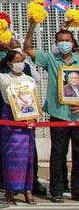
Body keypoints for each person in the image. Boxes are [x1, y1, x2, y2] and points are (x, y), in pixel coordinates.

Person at [24, 18, 79, 202]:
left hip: (77, 115)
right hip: (58, 114)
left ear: (73, 43)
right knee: (58, 153)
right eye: (61, 41)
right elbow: (28, 49)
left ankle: (76, 190)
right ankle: (56, 190)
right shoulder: (50, 59)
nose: (65, 44)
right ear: (56, 44)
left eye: (68, 41)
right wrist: (32, 26)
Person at [0, 42, 39, 204]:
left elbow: (34, 100)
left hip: (26, 118)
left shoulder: (29, 79)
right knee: (10, 156)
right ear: (9, 63)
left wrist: (33, 117)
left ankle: (28, 190)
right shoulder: (4, 78)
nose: (20, 64)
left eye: (22, 60)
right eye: (16, 61)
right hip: (9, 118)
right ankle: (10, 190)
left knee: (27, 157)